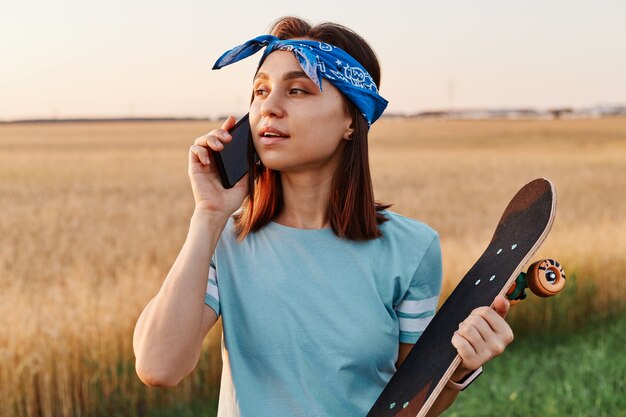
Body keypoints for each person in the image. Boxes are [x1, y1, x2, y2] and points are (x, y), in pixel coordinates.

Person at [133, 16, 514, 417]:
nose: (269, 108)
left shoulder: (412, 250)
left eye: (297, 90)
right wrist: (208, 214)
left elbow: (410, 402)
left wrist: (460, 369)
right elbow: (159, 368)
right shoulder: (224, 241)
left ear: (351, 119)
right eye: (260, 90)